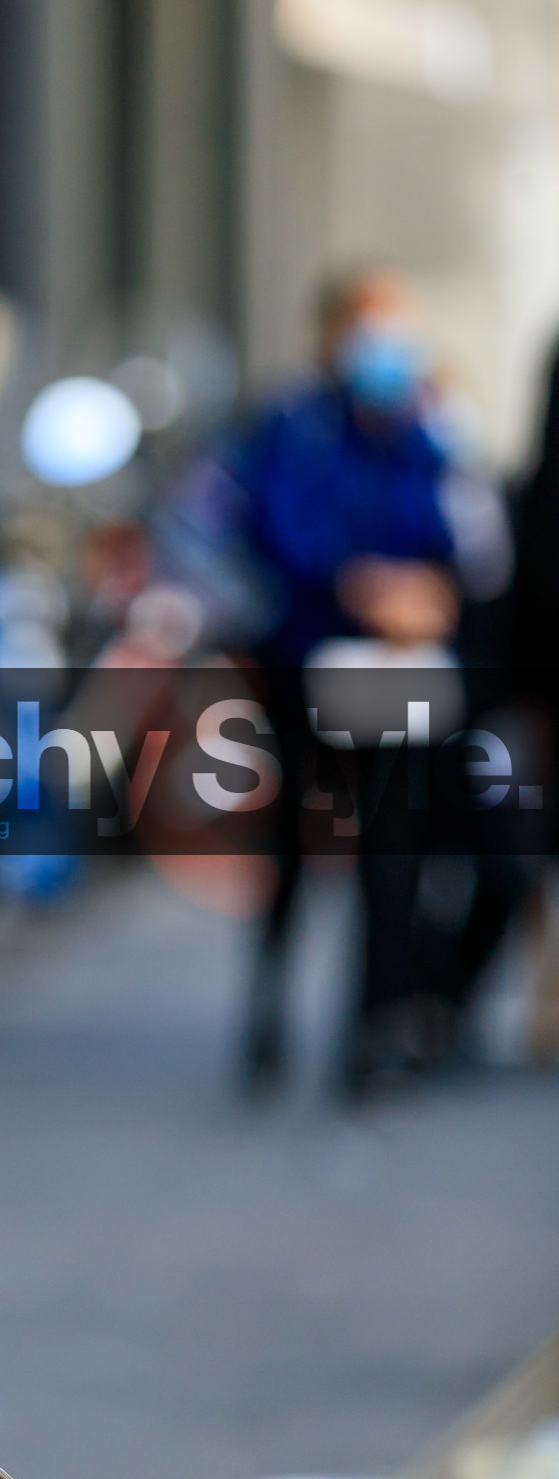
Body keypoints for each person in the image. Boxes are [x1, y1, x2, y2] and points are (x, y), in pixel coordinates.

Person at [235, 267, 464, 1093]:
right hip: (303, 664)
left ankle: (371, 1031)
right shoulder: (293, 426)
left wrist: (427, 593)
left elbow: (450, 531)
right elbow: (279, 529)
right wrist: (360, 583)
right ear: (332, 333)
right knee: (295, 844)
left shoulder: (418, 428)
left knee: (391, 850)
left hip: (392, 673)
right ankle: (268, 1016)